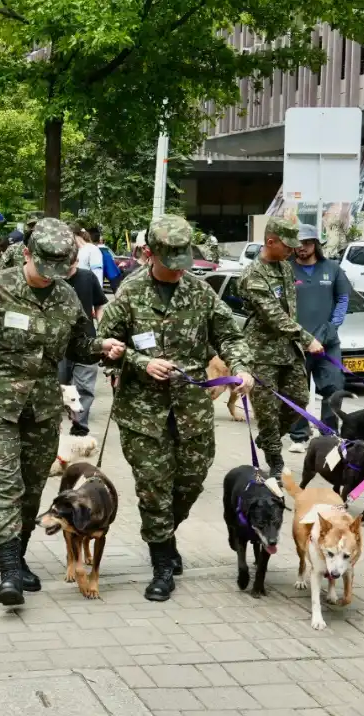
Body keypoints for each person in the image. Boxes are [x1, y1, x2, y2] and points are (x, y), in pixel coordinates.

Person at [0, 217, 125, 606]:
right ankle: (9, 573)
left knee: (32, 491)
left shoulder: (66, 296)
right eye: (43, 267)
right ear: (27, 253)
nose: (49, 276)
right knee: (4, 488)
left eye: (58, 269)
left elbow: (80, 345)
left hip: (42, 408)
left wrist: (103, 348)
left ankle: (20, 557)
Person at [98, 215, 255, 601]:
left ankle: (165, 536)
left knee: (189, 483)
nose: (179, 265)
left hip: (192, 411)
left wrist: (241, 366)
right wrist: (139, 362)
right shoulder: (130, 294)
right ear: (149, 254)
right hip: (142, 414)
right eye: (171, 257)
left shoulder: (200, 294)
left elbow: (229, 334)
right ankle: (162, 563)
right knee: (154, 490)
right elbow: (102, 345)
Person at [238, 218, 322, 475]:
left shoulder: (285, 268)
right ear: (270, 242)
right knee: (267, 411)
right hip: (262, 353)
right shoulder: (252, 275)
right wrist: (307, 338)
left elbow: (289, 311)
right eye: (287, 246)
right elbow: (273, 315)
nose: (292, 250)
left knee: (299, 398)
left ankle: (267, 440)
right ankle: (275, 462)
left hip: (288, 350)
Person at [288, 223, 351, 453]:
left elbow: (343, 299)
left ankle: (329, 435)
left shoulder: (332, 268)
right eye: (298, 244)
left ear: (315, 244)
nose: (302, 248)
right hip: (296, 342)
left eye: (306, 243)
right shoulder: (287, 269)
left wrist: (333, 327)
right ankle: (299, 436)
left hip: (327, 343)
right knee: (297, 390)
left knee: (334, 387)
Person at [56, 242, 108, 437]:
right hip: (59, 345)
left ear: (77, 261)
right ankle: (55, 428)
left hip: (87, 342)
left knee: (84, 388)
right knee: (58, 387)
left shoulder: (87, 277)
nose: (66, 270)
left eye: (70, 265)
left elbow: (100, 304)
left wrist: (102, 329)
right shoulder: (53, 279)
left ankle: (80, 427)